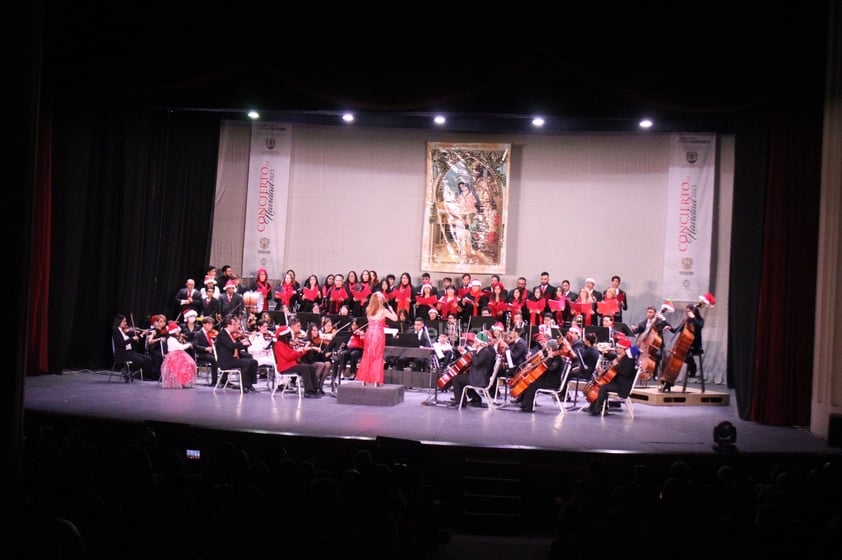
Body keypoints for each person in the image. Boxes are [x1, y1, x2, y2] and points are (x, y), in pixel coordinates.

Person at [584, 340, 640, 416]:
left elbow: (626, 373)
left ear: (623, 349)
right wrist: (603, 372)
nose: (616, 349)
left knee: (603, 387)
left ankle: (597, 409)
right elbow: (614, 372)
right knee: (603, 385)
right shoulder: (622, 358)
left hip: (623, 386)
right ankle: (596, 406)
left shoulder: (630, 360)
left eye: (618, 348)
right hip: (618, 383)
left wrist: (616, 365)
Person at [356, 291, 398, 387]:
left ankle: (364, 379)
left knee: (368, 354)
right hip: (378, 334)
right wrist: (392, 310)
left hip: (369, 333)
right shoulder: (383, 311)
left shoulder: (368, 309)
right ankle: (376, 380)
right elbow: (395, 318)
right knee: (378, 355)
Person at [449, 331, 497, 408]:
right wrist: (466, 352)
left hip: (479, 378)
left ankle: (460, 402)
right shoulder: (482, 350)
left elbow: (476, 363)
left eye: (475, 341)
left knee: (456, 379)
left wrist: (474, 350)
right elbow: (474, 357)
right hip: (477, 375)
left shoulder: (485, 352)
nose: (474, 342)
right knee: (461, 378)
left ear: (479, 342)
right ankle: (467, 400)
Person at [272, 325, 322, 398]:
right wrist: (299, 351)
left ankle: (315, 389)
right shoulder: (279, 345)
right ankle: (308, 391)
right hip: (285, 367)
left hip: (290, 365)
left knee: (310, 367)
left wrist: (302, 351)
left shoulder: (285, 344)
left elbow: (292, 355)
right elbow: (289, 357)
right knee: (305, 369)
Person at [518, 339, 566, 413]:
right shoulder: (551, 356)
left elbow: (550, 368)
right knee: (530, 381)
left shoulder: (557, 358)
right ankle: (524, 404)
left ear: (550, 348)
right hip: (547, 379)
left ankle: (528, 407)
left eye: (547, 348)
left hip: (553, 382)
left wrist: (546, 358)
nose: (546, 349)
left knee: (532, 385)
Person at [215, 315, 258, 392]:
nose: (235, 326)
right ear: (228, 325)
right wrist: (242, 344)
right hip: (226, 361)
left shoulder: (230, 334)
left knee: (254, 362)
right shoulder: (222, 334)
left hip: (232, 358)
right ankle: (244, 386)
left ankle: (250, 384)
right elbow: (230, 345)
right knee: (246, 363)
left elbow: (236, 346)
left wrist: (243, 342)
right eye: (234, 324)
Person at [111, 314, 153, 380]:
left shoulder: (124, 331)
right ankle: (128, 372)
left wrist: (141, 334)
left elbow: (135, 341)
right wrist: (132, 338)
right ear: (118, 322)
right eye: (124, 321)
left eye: (125, 321)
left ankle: (132, 373)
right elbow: (122, 343)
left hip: (130, 352)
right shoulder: (116, 331)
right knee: (140, 361)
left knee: (148, 359)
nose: (126, 323)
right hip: (122, 353)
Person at [160, 321, 197, 388]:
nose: (178, 332)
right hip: (174, 356)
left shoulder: (174, 338)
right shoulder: (171, 339)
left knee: (190, 363)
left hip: (178, 354)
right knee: (185, 365)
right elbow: (180, 347)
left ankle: (184, 381)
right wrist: (189, 344)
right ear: (173, 331)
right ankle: (180, 381)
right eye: (177, 331)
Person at [192, 316, 218, 385]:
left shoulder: (212, 333)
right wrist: (205, 348)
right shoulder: (198, 334)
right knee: (214, 359)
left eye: (212, 324)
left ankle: (223, 380)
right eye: (209, 324)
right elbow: (195, 345)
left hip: (211, 353)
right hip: (201, 354)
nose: (211, 326)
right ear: (204, 324)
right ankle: (214, 382)